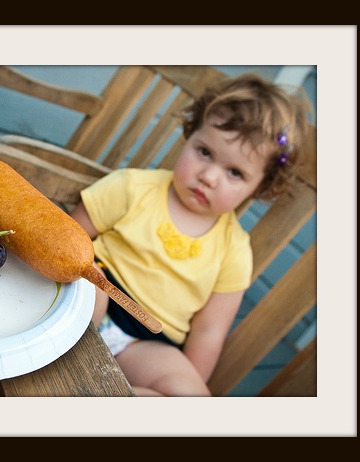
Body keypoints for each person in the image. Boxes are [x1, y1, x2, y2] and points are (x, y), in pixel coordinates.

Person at [69, 74, 311, 396]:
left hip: (145, 344)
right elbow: (68, 238)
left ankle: (95, 400)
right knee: (90, 284)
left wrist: (188, 380)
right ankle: (70, 374)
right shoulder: (133, 188)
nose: (209, 176)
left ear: (259, 188)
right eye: (205, 152)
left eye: (235, 173)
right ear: (191, 134)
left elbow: (209, 331)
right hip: (98, 297)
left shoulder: (234, 251)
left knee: (191, 397)